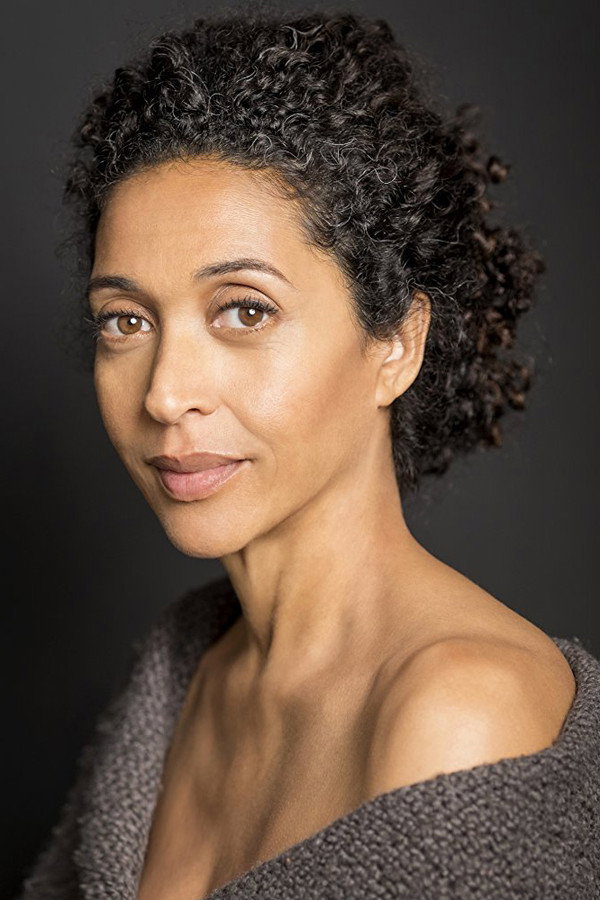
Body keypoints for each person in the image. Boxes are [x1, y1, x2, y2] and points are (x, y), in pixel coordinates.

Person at [18, 6, 600, 900]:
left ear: (395, 344)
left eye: (244, 310)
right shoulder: (184, 674)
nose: (165, 393)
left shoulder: (462, 713)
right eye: (125, 321)